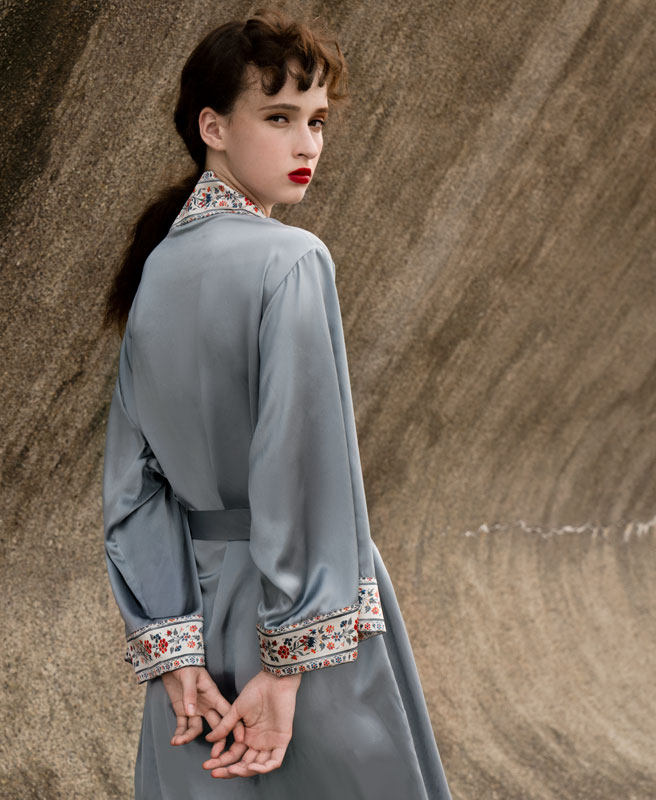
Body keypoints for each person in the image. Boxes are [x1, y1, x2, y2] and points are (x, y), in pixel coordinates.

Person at [101, 8, 452, 799]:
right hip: (297, 617)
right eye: (280, 117)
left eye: (317, 120)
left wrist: (174, 653)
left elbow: (133, 481)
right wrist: (289, 659)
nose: (307, 145)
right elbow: (302, 466)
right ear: (213, 128)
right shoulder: (293, 259)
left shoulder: (156, 269)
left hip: (198, 625)